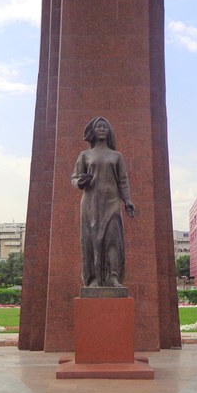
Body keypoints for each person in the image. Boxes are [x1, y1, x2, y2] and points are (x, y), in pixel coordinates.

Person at [71, 117, 136, 288]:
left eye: (104, 126)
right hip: (91, 203)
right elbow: (75, 178)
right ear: (93, 131)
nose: (101, 129)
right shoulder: (85, 155)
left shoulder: (116, 156)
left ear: (109, 131)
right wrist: (81, 182)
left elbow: (123, 180)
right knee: (91, 241)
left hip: (112, 202)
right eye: (98, 126)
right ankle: (92, 280)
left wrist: (127, 200)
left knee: (113, 239)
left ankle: (113, 277)